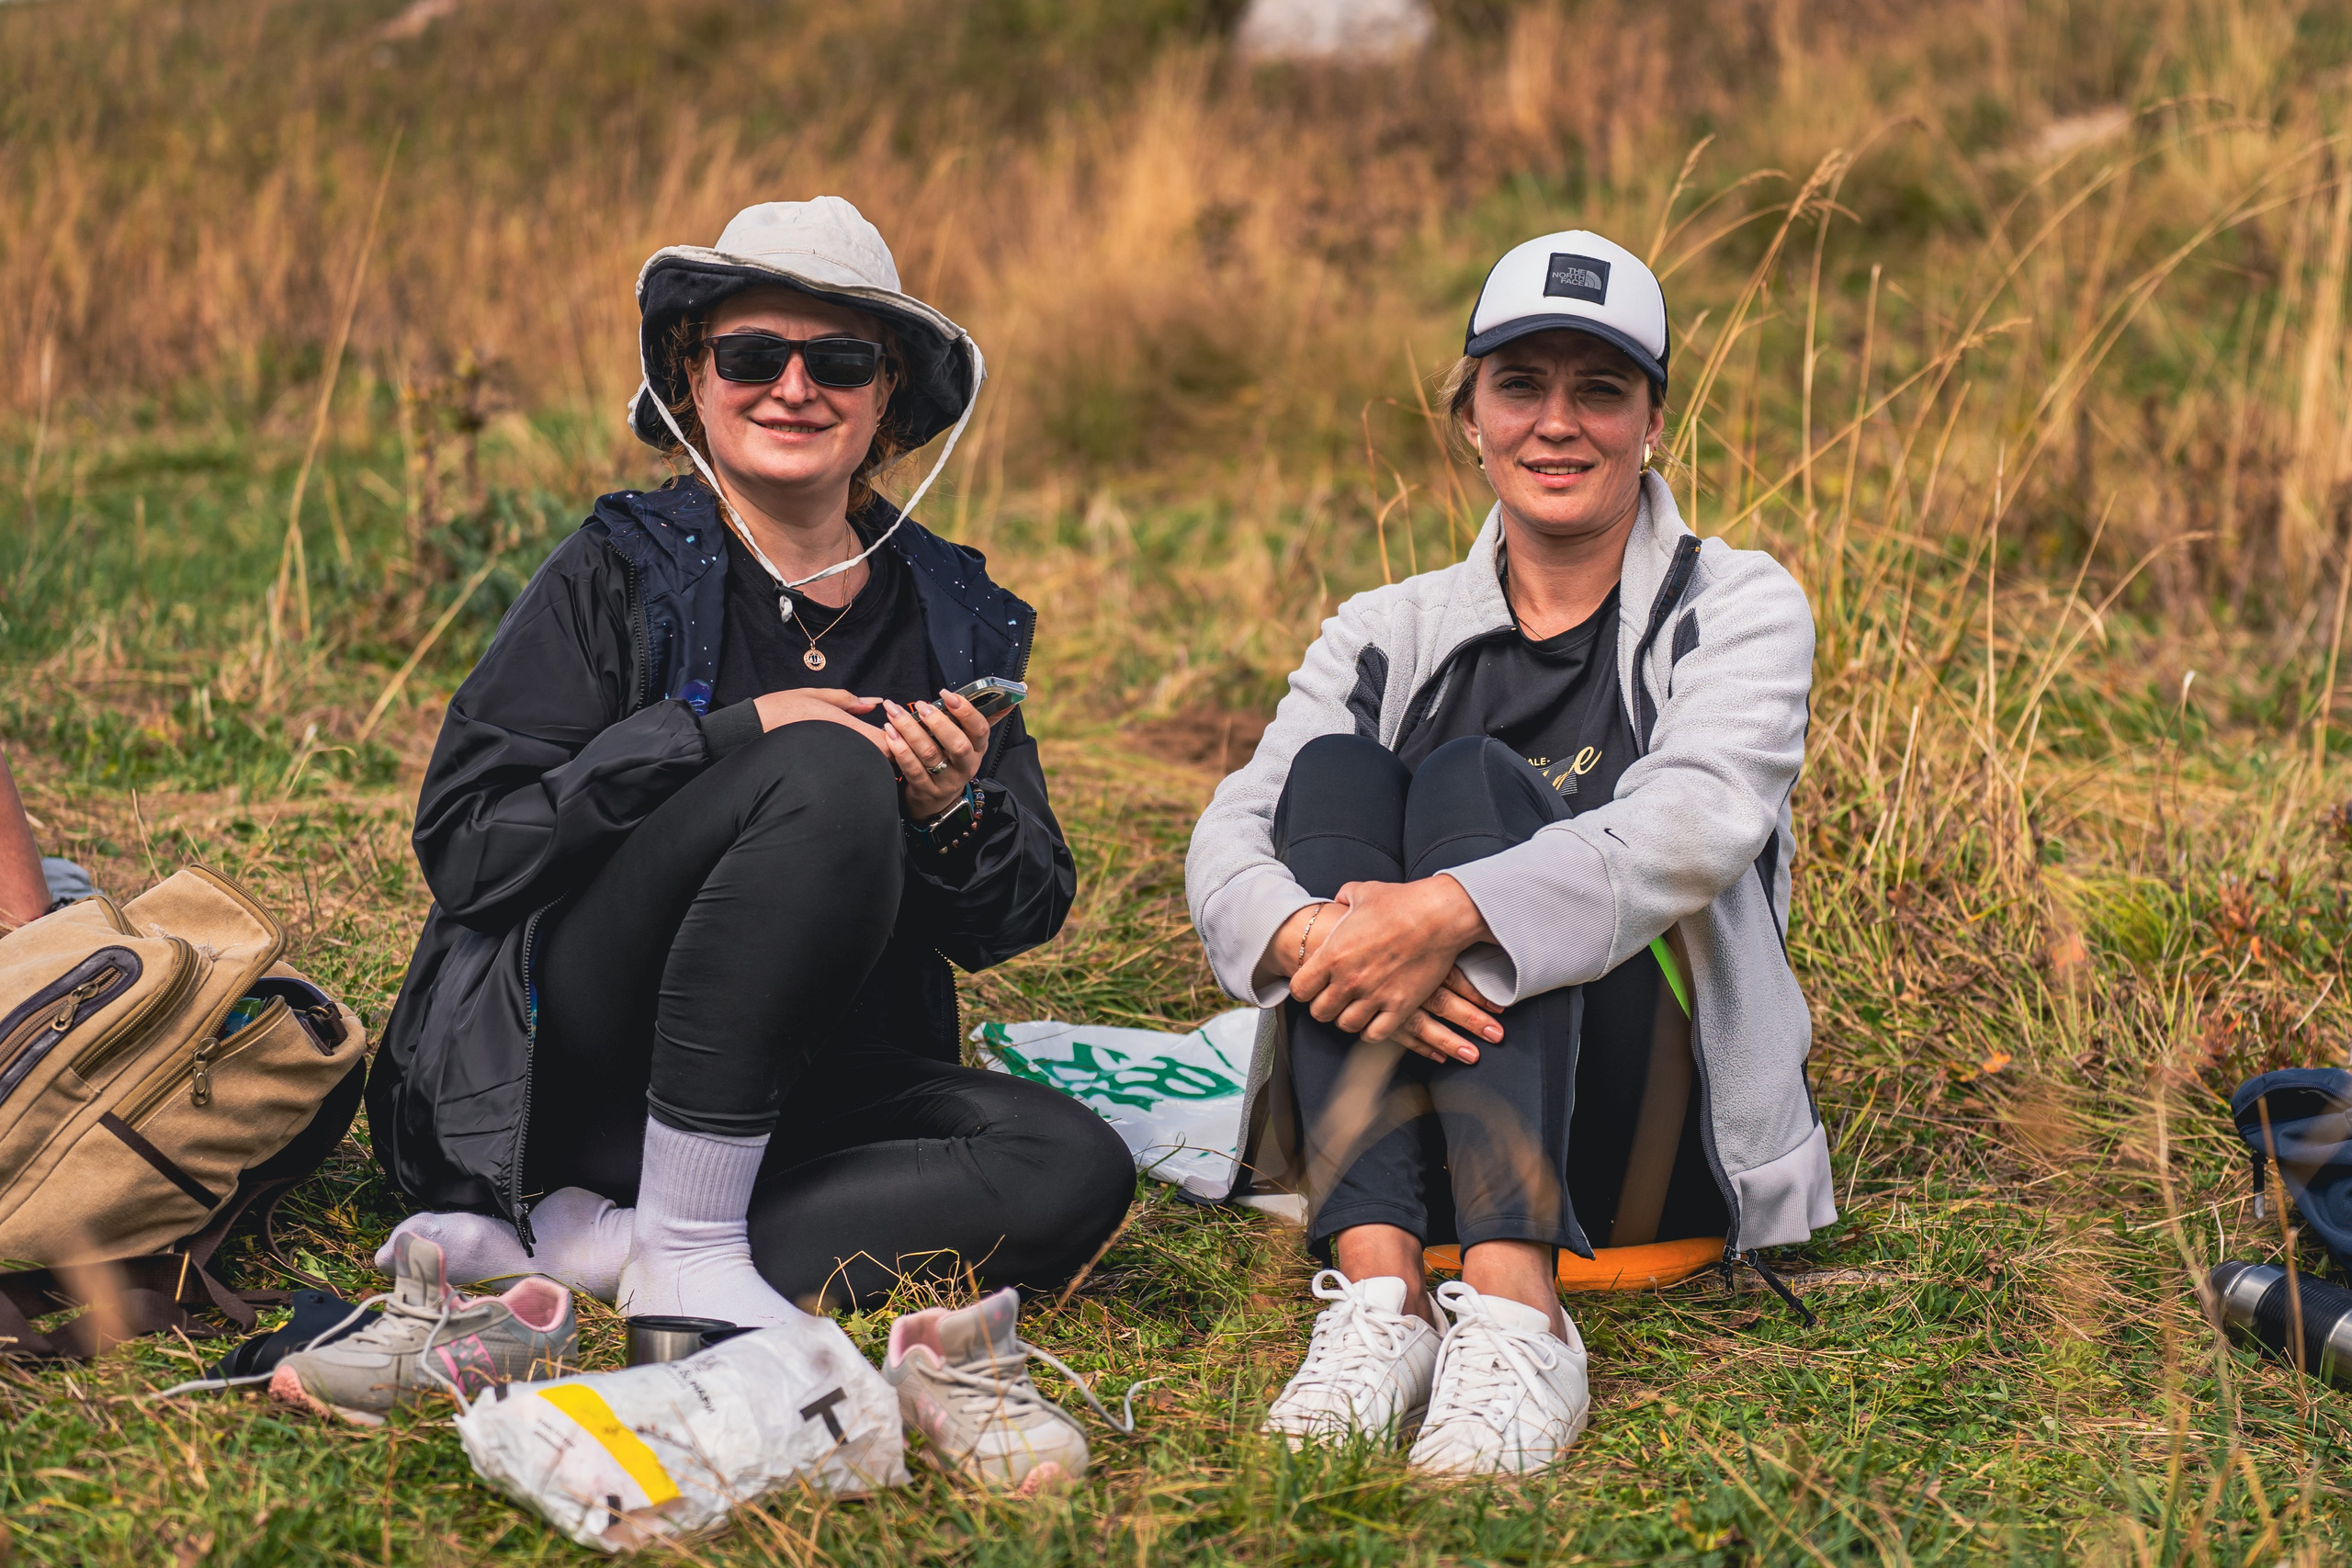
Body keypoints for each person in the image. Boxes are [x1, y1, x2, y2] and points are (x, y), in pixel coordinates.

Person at [364, 198, 1135, 1367]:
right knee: (820, 767)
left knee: (1074, 1167)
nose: (792, 387)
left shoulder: (952, 606)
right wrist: (717, 738)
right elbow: (470, 844)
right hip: (576, 1075)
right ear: (693, 375)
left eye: (837, 360)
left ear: (885, 398)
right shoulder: (616, 565)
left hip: (818, 1088)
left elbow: (1018, 917)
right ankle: (665, 1238)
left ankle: (611, 1249)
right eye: (749, 355)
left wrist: (953, 813)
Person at [1185, 231, 1832, 1475]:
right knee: (1333, 774)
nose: (1558, 423)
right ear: (1468, 416)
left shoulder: (1737, 601)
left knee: (1476, 777)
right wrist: (1323, 934)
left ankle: (1522, 1312)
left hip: (1648, 1140)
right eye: (1520, 384)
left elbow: (1696, 819)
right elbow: (1235, 831)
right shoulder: (1388, 627)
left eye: (1601, 388)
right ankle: (1382, 1304)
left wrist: (1438, 917)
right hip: (1407, 1125)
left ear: (1653, 421)